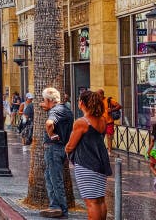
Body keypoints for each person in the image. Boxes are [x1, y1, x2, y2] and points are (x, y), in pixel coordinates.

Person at [65, 90, 112, 220]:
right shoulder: (102, 120)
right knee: (100, 200)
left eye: (79, 100)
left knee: (91, 202)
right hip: (100, 163)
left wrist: (66, 150)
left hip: (86, 164)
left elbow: (71, 145)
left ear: (82, 103)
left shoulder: (82, 122)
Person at [40, 86, 74, 219]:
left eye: (44, 100)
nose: (43, 103)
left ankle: (62, 210)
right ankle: (55, 206)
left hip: (54, 148)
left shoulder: (56, 110)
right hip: (61, 148)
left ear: (50, 100)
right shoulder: (66, 109)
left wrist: (51, 134)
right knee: (49, 176)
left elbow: (49, 124)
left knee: (55, 179)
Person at [97, 88, 122, 155]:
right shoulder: (97, 101)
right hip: (101, 122)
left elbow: (119, 106)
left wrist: (112, 110)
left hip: (109, 122)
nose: (98, 97)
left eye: (98, 95)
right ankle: (100, 151)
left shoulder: (109, 100)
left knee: (109, 136)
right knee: (100, 137)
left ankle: (109, 151)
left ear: (102, 94)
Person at [147, 122, 156, 191]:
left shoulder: (154, 135)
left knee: (151, 166)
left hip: (154, 152)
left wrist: (148, 152)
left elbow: (152, 144)